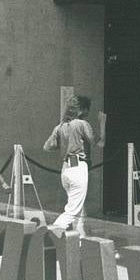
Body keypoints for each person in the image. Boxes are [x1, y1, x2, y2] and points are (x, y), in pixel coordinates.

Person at [44, 94, 96, 231]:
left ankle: (77, 241)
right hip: (78, 168)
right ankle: (49, 235)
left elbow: (47, 146)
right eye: (87, 109)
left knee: (78, 209)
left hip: (66, 169)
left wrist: (64, 143)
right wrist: (103, 123)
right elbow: (98, 142)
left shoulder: (60, 126)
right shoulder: (82, 124)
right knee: (72, 211)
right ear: (82, 110)